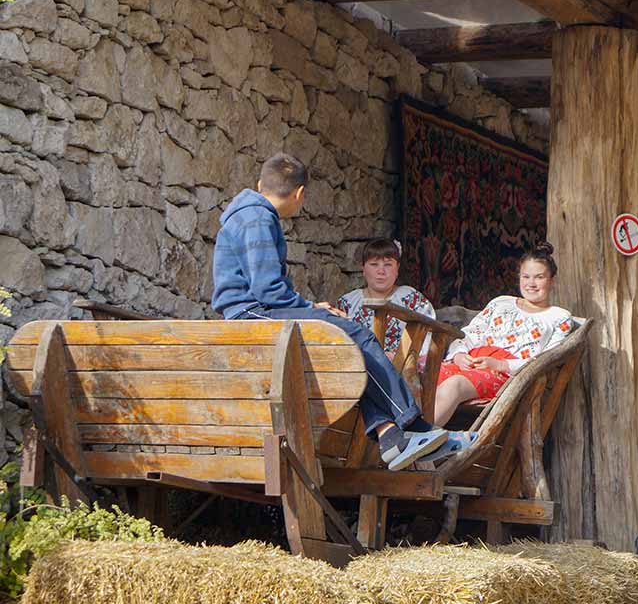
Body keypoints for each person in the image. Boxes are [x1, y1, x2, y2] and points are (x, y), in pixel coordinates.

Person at [211, 153, 461, 471]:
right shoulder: (257, 218)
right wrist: (306, 309)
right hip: (252, 313)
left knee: (348, 341)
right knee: (353, 332)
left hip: (258, 309)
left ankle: (390, 435)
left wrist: (310, 309)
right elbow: (267, 290)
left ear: (261, 183)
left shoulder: (251, 214)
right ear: (300, 193)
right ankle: (414, 426)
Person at [434, 242, 575, 426]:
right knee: (424, 378)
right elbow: (469, 335)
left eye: (539, 277)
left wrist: (500, 364)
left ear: (552, 280)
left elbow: (545, 360)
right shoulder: (501, 303)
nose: (531, 283)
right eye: (526, 276)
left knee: (455, 385)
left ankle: (419, 443)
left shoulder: (558, 317)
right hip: (471, 362)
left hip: (506, 377)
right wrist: (459, 355)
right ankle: (395, 439)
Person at [337, 239, 436, 359]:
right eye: (374, 264)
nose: (381, 271)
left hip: (402, 370)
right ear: (363, 268)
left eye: (388, 265)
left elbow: (428, 336)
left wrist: (399, 358)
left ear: (397, 268)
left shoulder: (411, 299)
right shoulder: (347, 303)